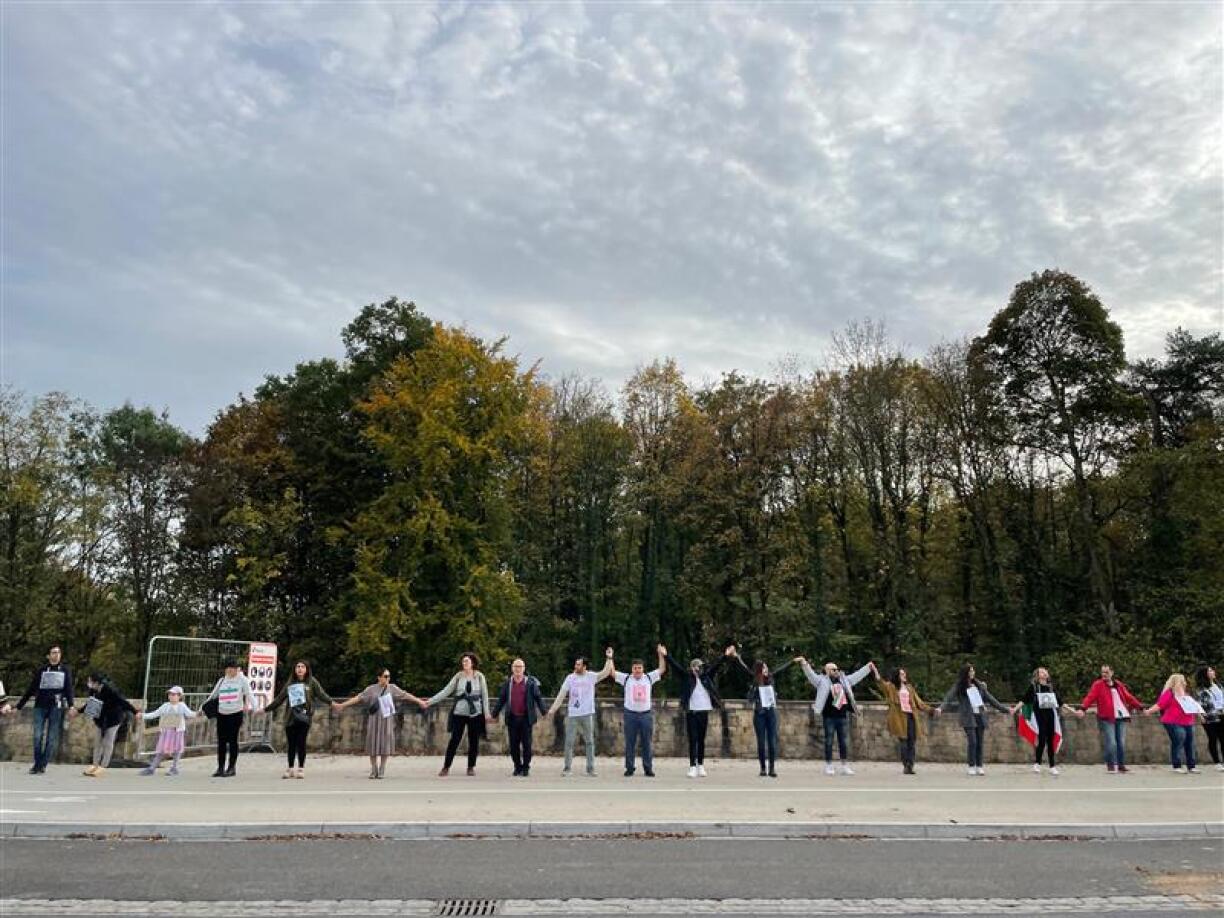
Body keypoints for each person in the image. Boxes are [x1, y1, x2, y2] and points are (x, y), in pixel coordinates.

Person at [333, 667, 426, 779]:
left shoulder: (392, 688)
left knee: (385, 744)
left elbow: (405, 695)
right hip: (374, 720)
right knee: (373, 743)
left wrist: (419, 701)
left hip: (386, 720)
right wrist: (343, 705)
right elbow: (359, 698)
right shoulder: (371, 689)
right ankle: (373, 768)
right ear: (379, 677)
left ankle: (382, 768)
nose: (388, 679)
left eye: (389, 676)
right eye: (385, 676)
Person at [660, 643, 734, 778]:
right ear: (692, 667)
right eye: (696, 666)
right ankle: (692, 766)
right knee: (692, 739)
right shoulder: (687, 678)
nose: (698, 668)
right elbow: (676, 667)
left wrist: (725, 655)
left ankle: (700, 765)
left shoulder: (707, 677)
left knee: (701, 740)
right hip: (692, 713)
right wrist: (666, 655)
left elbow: (716, 666)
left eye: (700, 666)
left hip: (703, 712)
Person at [796, 656, 873, 776]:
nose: (836, 671)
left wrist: (868, 668)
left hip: (842, 715)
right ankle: (829, 765)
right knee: (829, 741)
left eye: (837, 669)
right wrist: (804, 663)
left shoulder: (844, 680)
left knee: (843, 741)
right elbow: (810, 674)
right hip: (829, 717)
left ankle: (844, 765)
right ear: (826, 671)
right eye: (833, 669)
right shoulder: (821, 681)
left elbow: (857, 676)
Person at [547, 648, 615, 777]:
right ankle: (567, 768)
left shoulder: (591, 676)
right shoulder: (570, 678)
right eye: (575, 664)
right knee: (569, 742)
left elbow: (606, 672)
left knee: (589, 742)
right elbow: (562, 694)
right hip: (573, 714)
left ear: (584, 666)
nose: (575, 666)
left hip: (588, 713)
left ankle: (590, 769)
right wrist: (553, 709)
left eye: (578, 664)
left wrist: (609, 658)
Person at [425, 652, 493, 777]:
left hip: (475, 713)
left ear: (472, 663)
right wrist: (429, 702)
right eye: (463, 661)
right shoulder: (458, 676)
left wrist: (487, 713)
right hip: (459, 713)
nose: (464, 663)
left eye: (467, 661)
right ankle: (446, 767)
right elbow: (446, 691)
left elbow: (484, 696)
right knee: (454, 740)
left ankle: (471, 767)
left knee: (474, 741)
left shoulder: (479, 676)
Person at [265, 660, 334, 779]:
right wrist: (266, 709)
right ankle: (290, 768)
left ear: (306, 669)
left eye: (302, 667)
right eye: (298, 666)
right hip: (290, 717)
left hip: (305, 717)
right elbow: (280, 698)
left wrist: (333, 703)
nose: (300, 669)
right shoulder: (290, 683)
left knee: (301, 743)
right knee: (291, 744)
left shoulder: (312, 682)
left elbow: (322, 695)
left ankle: (301, 768)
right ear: (294, 669)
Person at [730, 649, 793, 777]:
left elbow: (781, 669)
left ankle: (772, 768)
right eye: (763, 667)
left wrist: (792, 661)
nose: (766, 668)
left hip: (771, 712)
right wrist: (737, 657)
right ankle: (763, 768)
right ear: (759, 670)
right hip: (759, 713)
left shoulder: (771, 677)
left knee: (772, 740)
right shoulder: (755, 680)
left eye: (766, 666)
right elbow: (744, 668)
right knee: (761, 741)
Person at [1010, 666, 1083, 776]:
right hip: (1039, 716)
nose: (1044, 673)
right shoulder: (1034, 687)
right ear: (1038, 675)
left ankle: (1052, 766)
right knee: (1042, 739)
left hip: (1050, 716)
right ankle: (1037, 763)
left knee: (1050, 740)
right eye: (1042, 672)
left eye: (1045, 671)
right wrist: (1014, 709)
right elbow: (1024, 700)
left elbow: (1061, 703)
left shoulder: (1051, 688)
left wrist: (1074, 711)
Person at [15, 645, 76, 774]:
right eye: (54, 652)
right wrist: (19, 706)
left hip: (56, 706)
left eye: (58, 652)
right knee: (37, 736)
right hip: (40, 706)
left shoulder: (65, 670)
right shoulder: (42, 670)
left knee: (51, 738)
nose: (56, 655)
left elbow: (69, 689)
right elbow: (31, 688)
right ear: (48, 655)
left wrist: (71, 705)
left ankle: (42, 764)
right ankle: (37, 763)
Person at [940, 663, 1009, 775]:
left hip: (979, 716)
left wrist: (1006, 709)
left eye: (973, 671)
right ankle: (971, 765)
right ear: (965, 673)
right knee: (973, 741)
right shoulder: (960, 685)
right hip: (968, 716)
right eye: (970, 671)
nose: (973, 673)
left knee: (980, 742)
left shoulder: (979, 685)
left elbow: (991, 699)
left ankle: (979, 765)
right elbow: (949, 697)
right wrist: (941, 708)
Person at [870, 663, 938, 775]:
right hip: (899, 717)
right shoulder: (891, 687)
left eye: (904, 673)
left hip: (911, 717)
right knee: (903, 741)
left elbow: (919, 702)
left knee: (912, 742)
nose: (904, 675)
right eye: (901, 674)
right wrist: (875, 671)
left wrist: (931, 710)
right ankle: (906, 764)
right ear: (897, 676)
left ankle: (910, 765)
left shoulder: (910, 688)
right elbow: (880, 683)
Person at [1079, 664, 1144, 774]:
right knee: (1111, 742)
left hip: (1121, 716)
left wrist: (1140, 707)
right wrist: (1083, 708)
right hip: (1107, 717)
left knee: (1121, 742)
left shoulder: (1118, 684)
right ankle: (1110, 765)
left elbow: (1129, 697)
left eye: (1106, 672)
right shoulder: (1098, 685)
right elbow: (1090, 697)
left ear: (1112, 673)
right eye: (1102, 672)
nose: (1104, 675)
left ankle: (1121, 765)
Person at [489, 658, 549, 777]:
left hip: (526, 719)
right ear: (512, 668)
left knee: (527, 745)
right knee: (513, 746)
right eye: (516, 666)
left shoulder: (530, 683)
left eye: (520, 667)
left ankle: (526, 767)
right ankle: (517, 766)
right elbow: (501, 700)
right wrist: (494, 714)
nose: (518, 669)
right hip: (512, 718)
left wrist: (544, 712)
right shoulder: (508, 683)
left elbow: (538, 698)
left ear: (524, 669)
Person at [613, 647, 666, 777]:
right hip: (630, 714)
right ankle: (629, 767)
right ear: (632, 669)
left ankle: (648, 768)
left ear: (643, 669)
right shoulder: (626, 679)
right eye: (635, 668)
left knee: (646, 742)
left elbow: (662, 669)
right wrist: (610, 658)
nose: (637, 670)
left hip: (645, 714)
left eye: (640, 668)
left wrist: (660, 655)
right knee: (630, 742)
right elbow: (612, 673)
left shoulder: (648, 678)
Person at [202, 659, 256, 778]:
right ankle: (220, 767)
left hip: (235, 714)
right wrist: (202, 708)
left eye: (232, 668)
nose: (229, 670)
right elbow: (213, 695)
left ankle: (231, 767)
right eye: (227, 668)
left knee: (232, 741)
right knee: (221, 741)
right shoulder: (222, 680)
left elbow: (249, 694)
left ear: (237, 669)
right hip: (222, 713)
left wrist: (256, 708)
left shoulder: (242, 680)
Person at [79, 673, 138, 777]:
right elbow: (90, 703)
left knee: (108, 742)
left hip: (113, 719)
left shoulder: (110, 690)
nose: (88, 683)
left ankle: (103, 766)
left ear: (96, 683)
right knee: (97, 741)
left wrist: (135, 712)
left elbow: (123, 701)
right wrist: (78, 711)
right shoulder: (93, 690)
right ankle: (94, 765)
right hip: (100, 719)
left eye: (90, 681)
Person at [1144, 673, 1203, 774]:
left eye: (1184, 681)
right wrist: (1149, 711)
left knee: (1190, 743)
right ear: (1175, 682)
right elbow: (1160, 705)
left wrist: (1200, 715)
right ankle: (1177, 765)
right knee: (1179, 739)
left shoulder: (1186, 694)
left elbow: (1194, 706)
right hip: (1172, 721)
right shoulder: (1169, 693)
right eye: (1181, 681)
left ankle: (1191, 766)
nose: (1184, 683)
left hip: (1188, 721)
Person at [139, 686, 196, 776]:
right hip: (166, 732)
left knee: (177, 750)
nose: (171, 696)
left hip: (177, 731)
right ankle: (152, 768)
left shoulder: (182, 706)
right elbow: (155, 714)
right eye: (170, 694)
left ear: (179, 696)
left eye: (174, 694)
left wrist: (199, 713)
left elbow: (190, 714)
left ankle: (174, 768)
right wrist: (143, 715)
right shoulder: (165, 706)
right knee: (161, 750)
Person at [1194, 665, 1224, 771]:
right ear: (1205, 674)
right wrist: (1200, 715)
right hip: (1210, 717)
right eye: (1210, 671)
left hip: (1222, 714)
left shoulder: (1218, 686)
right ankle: (1217, 762)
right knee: (1213, 738)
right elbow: (1197, 704)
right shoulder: (1201, 689)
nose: (1213, 672)